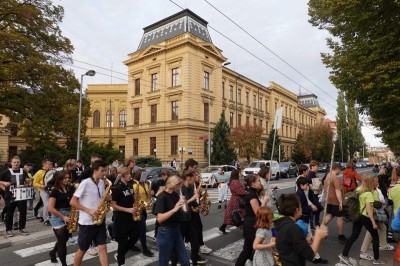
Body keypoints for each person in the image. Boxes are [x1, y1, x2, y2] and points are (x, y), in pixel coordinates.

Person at [339, 173, 385, 265]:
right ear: (370, 182)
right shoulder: (368, 193)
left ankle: (344, 254)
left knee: (354, 236)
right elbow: (368, 210)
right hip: (365, 217)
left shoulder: (358, 189)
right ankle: (376, 259)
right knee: (375, 236)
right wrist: (373, 222)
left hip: (357, 216)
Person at [70, 160, 109, 266]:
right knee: (83, 249)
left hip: (99, 220)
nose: (104, 173)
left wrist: (107, 198)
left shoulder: (101, 182)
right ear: (95, 171)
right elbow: (73, 201)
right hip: (87, 222)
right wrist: (89, 210)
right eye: (102, 171)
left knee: (102, 247)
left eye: (105, 170)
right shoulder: (85, 183)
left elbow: (98, 199)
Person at [275, 193, 328, 266]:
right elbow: (310, 255)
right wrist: (318, 237)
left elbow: (293, 243)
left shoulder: (282, 223)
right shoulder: (293, 228)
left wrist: (313, 239)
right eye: (301, 206)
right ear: (297, 210)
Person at [153, 174, 190, 266]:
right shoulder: (162, 196)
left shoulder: (175, 195)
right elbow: (160, 218)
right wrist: (174, 209)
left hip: (176, 230)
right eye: (179, 185)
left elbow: (185, 212)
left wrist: (185, 203)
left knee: (186, 262)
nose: (181, 187)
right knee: (163, 263)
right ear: (175, 184)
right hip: (165, 232)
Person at [171, 169, 206, 265]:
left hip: (188, 219)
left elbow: (192, 203)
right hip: (181, 220)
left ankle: (194, 262)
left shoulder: (190, 188)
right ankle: (173, 261)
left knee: (195, 244)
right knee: (178, 244)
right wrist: (192, 198)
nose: (194, 179)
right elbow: (181, 204)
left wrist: (199, 204)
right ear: (187, 178)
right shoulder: (180, 189)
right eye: (193, 177)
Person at [235, 174, 269, 266]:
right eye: (258, 181)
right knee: (255, 248)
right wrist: (265, 201)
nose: (260, 182)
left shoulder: (252, 193)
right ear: (253, 183)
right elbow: (258, 213)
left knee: (247, 249)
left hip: (250, 224)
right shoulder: (251, 195)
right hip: (251, 225)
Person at [359, 175, 393, 261]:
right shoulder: (373, 192)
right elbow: (375, 204)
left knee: (382, 227)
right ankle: (366, 252)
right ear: (372, 183)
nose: (378, 183)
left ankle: (382, 244)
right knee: (371, 232)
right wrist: (381, 204)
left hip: (369, 214)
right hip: (373, 214)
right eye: (376, 181)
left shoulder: (365, 190)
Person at [111, 166, 140, 266]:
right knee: (122, 242)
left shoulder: (131, 185)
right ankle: (121, 262)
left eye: (129, 174)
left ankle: (120, 254)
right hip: (122, 219)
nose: (130, 175)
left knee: (135, 237)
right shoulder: (117, 188)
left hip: (132, 217)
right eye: (127, 174)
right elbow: (113, 205)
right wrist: (127, 210)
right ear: (122, 175)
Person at [295, 178, 328, 264]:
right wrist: (311, 207)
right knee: (307, 237)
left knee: (307, 237)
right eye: (306, 185)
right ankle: (314, 257)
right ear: (301, 185)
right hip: (303, 219)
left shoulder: (302, 192)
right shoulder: (300, 194)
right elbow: (301, 208)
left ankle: (315, 257)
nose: (308, 186)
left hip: (304, 219)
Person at [183, 158, 212, 254]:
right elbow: (187, 195)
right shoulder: (185, 179)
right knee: (196, 228)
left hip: (193, 206)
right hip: (188, 208)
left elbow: (196, 192)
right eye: (195, 167)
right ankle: (200, 246)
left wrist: (202, 195)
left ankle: (187, 242)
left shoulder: (194, 178)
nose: (197, 169)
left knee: (194, 227)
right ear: (190, 167)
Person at [48, 170, 75, 265]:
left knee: (63, 240)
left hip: (70, 215)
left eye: (68, 177)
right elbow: (50, 208)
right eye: (65, 178)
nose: (67, 179)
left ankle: (52, 253)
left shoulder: (71, 188)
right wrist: (63, 217)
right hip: (58, 217)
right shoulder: (54, 191)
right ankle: (64, 264)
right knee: (63, 243)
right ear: (59, 179)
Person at [0, 155, 31, 237]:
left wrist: (28, 181)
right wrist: (4, 184)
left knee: (23, 212)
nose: (16, 164)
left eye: (18, 162)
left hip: (21, 195)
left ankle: (22, 228)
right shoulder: (6, 172)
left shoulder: (23, 171)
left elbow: (26, 181)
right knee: (10, 213)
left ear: (20, 163)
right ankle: (8, 229)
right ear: (11, 163)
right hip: (11, 195)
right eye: (14, 162)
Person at [132, 169, 155, 257]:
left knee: (137, 230)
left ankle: (131, 244)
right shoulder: (135, 185)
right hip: (139, 209)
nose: (146, 177)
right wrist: (143, 203)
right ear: (139, 175)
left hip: (144, 209)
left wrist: (151, 193)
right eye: (144, 175)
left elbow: (147, 195)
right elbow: (135, 198)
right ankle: (145, 249)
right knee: (142, 230)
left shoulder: (146, 184)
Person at [322, 163, 347, 242]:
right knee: (340, 217)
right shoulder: (335, 178)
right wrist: (340, 202)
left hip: (329, 199)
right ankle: (340, 235)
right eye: (340, 169)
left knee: (330, 215)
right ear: (336, 169)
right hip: (335, 200)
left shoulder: (327, 176)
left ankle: (321, 229)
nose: (340, 171)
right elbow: (337, 191)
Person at [219, 169, 247, 234]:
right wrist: (247, 192)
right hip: (237, 200)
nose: (240, 174)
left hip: (234, 200)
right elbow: (240, 191)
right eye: (239, 173)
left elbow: (239, 188)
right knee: (241, 215)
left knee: (230, 215)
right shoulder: (235, 181)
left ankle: (222, 227)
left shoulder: (234, 181)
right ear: (236, 174)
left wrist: (244, 186)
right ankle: (245, 232)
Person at [33, 159, 52, 226]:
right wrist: (41, 186)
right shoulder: (39, 172)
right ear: (44, 165)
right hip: (43, 190)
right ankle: (46, 220)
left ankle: (40, 214)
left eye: (50, 164)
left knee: (48, 204)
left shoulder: (51, 172)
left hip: (50, 189)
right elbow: (34, 182)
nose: (50, 165)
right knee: (47, 204)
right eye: (48, 164)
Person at [151, 169, 170, 241]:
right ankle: (156, 235)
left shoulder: (167, 182)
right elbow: (153, 193)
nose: (164, 177)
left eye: (166, 175)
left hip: (165, 203)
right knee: (158, 221)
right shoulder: (158, 182)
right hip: (159, 203)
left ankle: (159, 234)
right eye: (163, 175)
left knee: (162, 221)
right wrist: (155, 193)